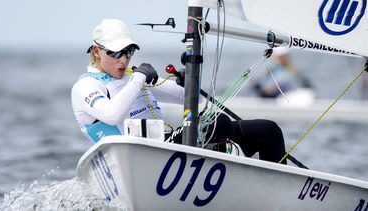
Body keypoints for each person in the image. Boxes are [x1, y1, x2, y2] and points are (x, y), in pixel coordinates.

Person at [71, 19, 287, 164]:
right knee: (218, 125)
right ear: (97, 51)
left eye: (129, 51)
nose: (124, 59)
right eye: (116, 53)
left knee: (268, 130)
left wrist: (188, 82)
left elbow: (188, 99)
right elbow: (111, 114)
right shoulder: (87, 86)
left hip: (166, 148)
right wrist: (138, 78)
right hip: (134, 160)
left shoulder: (133, 76)